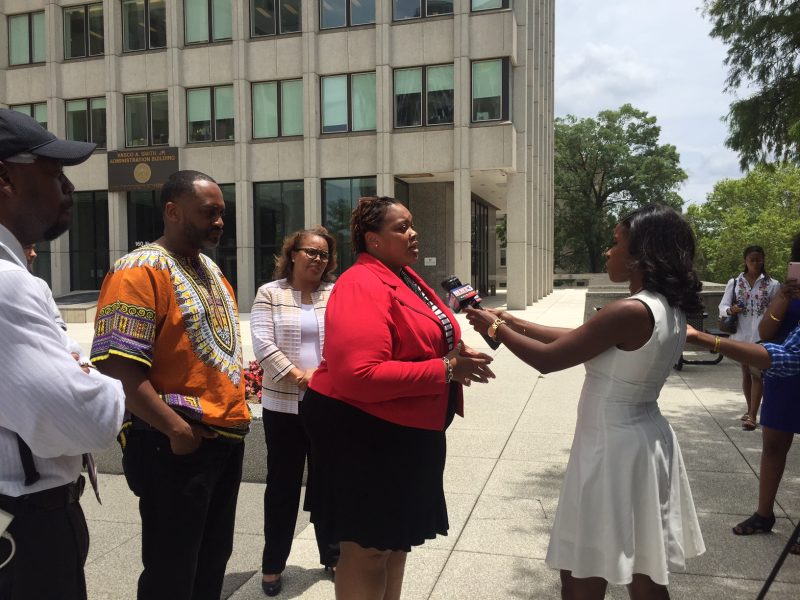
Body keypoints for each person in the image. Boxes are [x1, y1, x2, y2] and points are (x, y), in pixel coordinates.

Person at [466, 204, 706, 600]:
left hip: (611, 449)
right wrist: (512, 321)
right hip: (644, 442)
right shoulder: (667, 307)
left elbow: (549, 359)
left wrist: (494, 328)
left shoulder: (629, 310)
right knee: (646, 569)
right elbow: (581, 335)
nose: (609, 253)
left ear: (641, 256)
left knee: (580, 573)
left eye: (616, 244)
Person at [302, 196, 495, 600]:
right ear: (372, 240)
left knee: (395, 543)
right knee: (369, 548)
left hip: (405, 431)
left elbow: (427, 334)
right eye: (402, 227)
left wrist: (455, 355)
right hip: (364, 433)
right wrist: (445, 369)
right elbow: (358, 374)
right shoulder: (361, 282)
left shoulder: (403, 276)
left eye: (412, 224)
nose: (413, 233)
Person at [91, 170, 251, 600]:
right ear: (172, 211)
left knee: (211, 562)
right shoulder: (138, 271)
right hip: (174, 444)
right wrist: (176, 431)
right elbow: (117, 368)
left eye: (222, 213)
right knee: (171, 570)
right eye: (209, 212)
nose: (219, 221)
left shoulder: (210, 269)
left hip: (222, 440)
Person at [0, 108, 125, 600]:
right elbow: (88, 419)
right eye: (54, 173)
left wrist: (76, 366)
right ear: (5, 176)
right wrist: (96, 377)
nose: (68, 188)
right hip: (25, 531)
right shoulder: (8, 287)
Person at [250, 227, 340, 596]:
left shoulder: (335, 294)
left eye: (324, 255)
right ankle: (273, 564)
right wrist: (298, 375)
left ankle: (332, 554)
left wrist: (324, 376)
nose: (318, 259)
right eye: (311, 252)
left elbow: (347, 339)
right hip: (283, 407)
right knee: (282, 485)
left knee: (330, 481)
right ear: (292, 254)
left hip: (328, 404)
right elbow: (261, 341)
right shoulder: (270, 293)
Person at [728, 233, 800, 551]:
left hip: (789, 362)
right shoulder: (784, 290)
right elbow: (766, 332)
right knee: (772, 446)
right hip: (784, 376)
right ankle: (764, 513)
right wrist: (783, 298)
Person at [719, 245, 780, 430]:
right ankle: (750, 409)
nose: (756, 263)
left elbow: (778, 308)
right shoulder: (735, 282)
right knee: (746, 372)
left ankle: (752, 415)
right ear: (745, 261)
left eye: (759, 259)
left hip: (761, 335)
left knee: (756, 374)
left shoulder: (772, 284)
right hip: (741, 333)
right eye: (752, 260)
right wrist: (731, 310)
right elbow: (722, 307)